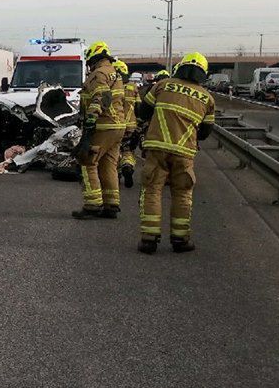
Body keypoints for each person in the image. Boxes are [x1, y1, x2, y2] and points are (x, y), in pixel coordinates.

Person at [137, 52, 215, 254]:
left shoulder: (162, 86)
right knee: (182, 193)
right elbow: (205, 132)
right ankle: (180, 240)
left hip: (157, 148)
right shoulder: (207, 98)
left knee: (152, 190)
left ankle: (149, 239)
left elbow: (143, 112)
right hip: (184, 152)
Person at [72, 41, 126, 220]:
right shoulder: (114, 73)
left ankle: (92, 204)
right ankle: (111, 204)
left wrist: (90, 120)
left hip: (103, 125)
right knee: (108, 164)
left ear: (94, 57)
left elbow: (101, 96)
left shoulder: (99, 73)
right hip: (117, 126)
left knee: (88, 160)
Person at [113, 59, 139, 188]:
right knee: (128, 150)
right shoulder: (133, 87)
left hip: (115, 124)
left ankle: (116, 174)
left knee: (115, 150)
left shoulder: (111, 87)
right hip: (131, 125)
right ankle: (127, 165)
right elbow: (139, 107)